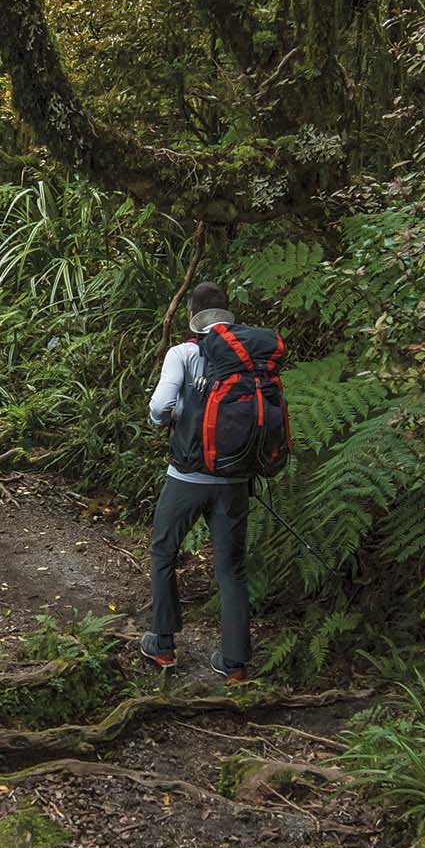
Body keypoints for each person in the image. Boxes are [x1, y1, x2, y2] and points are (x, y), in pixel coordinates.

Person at [141, 282, 253, 684]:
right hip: (235, 479)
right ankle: (236, 665)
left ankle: (165, 644)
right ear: (227, 314)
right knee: (232, 569)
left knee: (164, 553)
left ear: (191, 315)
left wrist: (163, 422)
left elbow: (159, 407)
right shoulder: (246, 357)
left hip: (187, 477)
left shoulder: (183, 353)